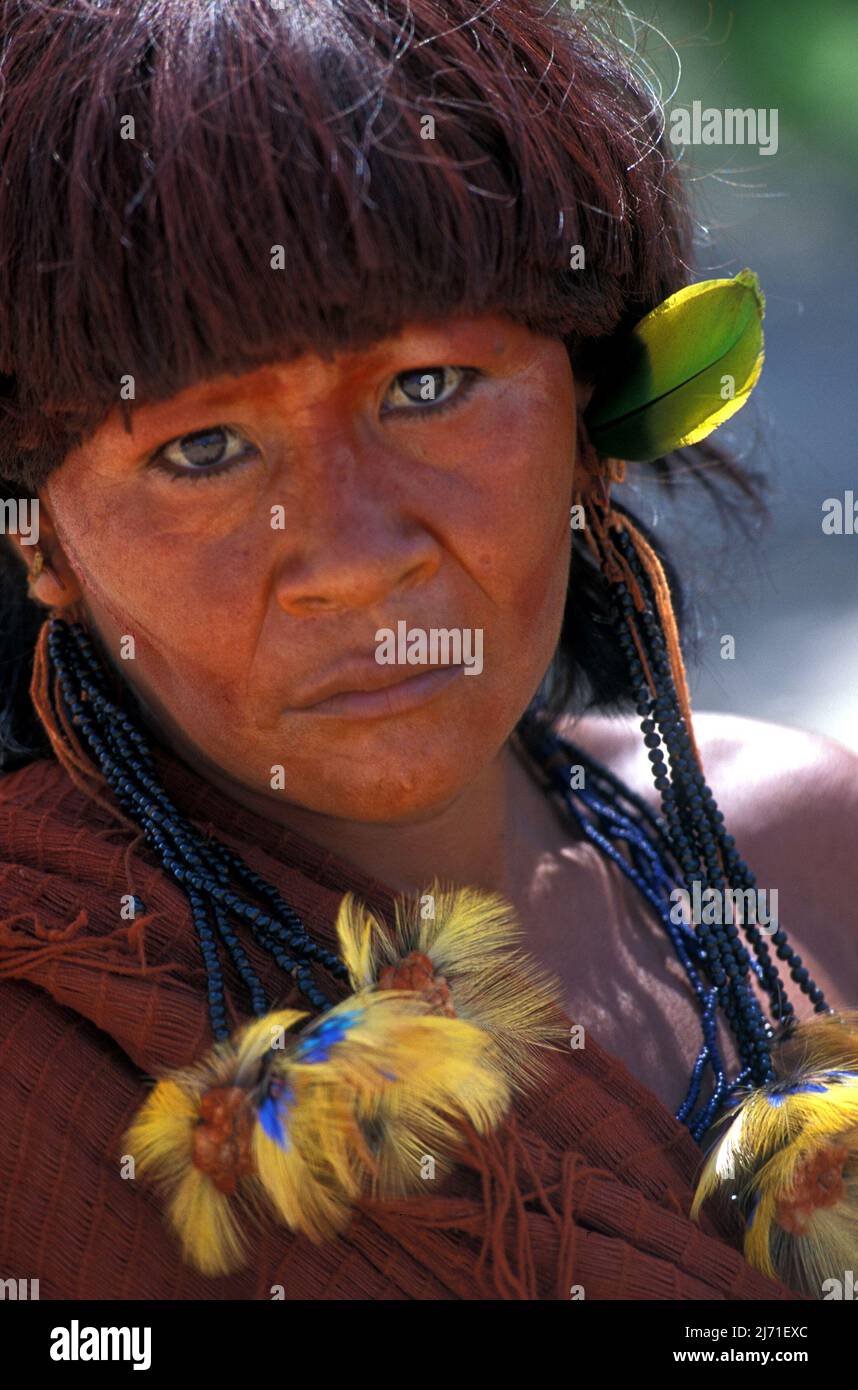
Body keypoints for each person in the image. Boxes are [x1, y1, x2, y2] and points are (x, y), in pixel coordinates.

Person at [1, 0, 856, 1301]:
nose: (350, 555)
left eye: (429, 387)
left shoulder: (802, 854)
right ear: (40, 538)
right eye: (200, 449)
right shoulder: (41, 1031)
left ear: (590, 425)